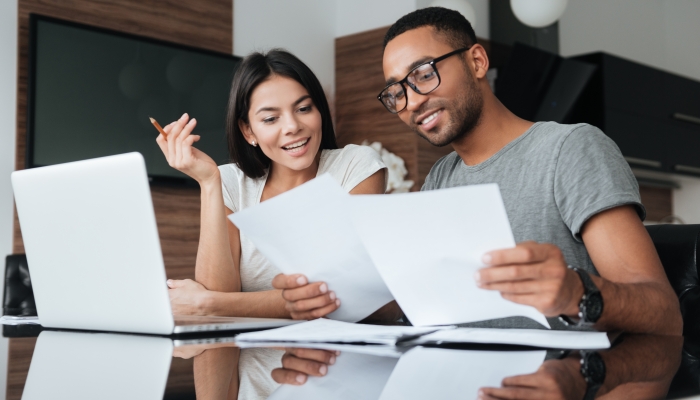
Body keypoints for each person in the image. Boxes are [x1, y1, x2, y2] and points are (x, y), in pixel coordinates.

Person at [273, 7, 682, 335]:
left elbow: (663, 312)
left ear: (477, 61)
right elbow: (422, 306)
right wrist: (330, 299)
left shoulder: (570, 148)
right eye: (396, 92)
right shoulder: (440, 177)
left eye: (423, 75)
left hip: (567, 377)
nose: (411, 102)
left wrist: (577, 292)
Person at [156, 49, 394, 399]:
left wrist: (208, 304)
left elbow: (333, 297)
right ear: (248, 131)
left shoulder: (355, 167)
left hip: (337, 377)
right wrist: (208, 184)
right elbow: (217, 303)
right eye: (270, 119)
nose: (293, 126)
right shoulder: (231, 183)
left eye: (303, 108)